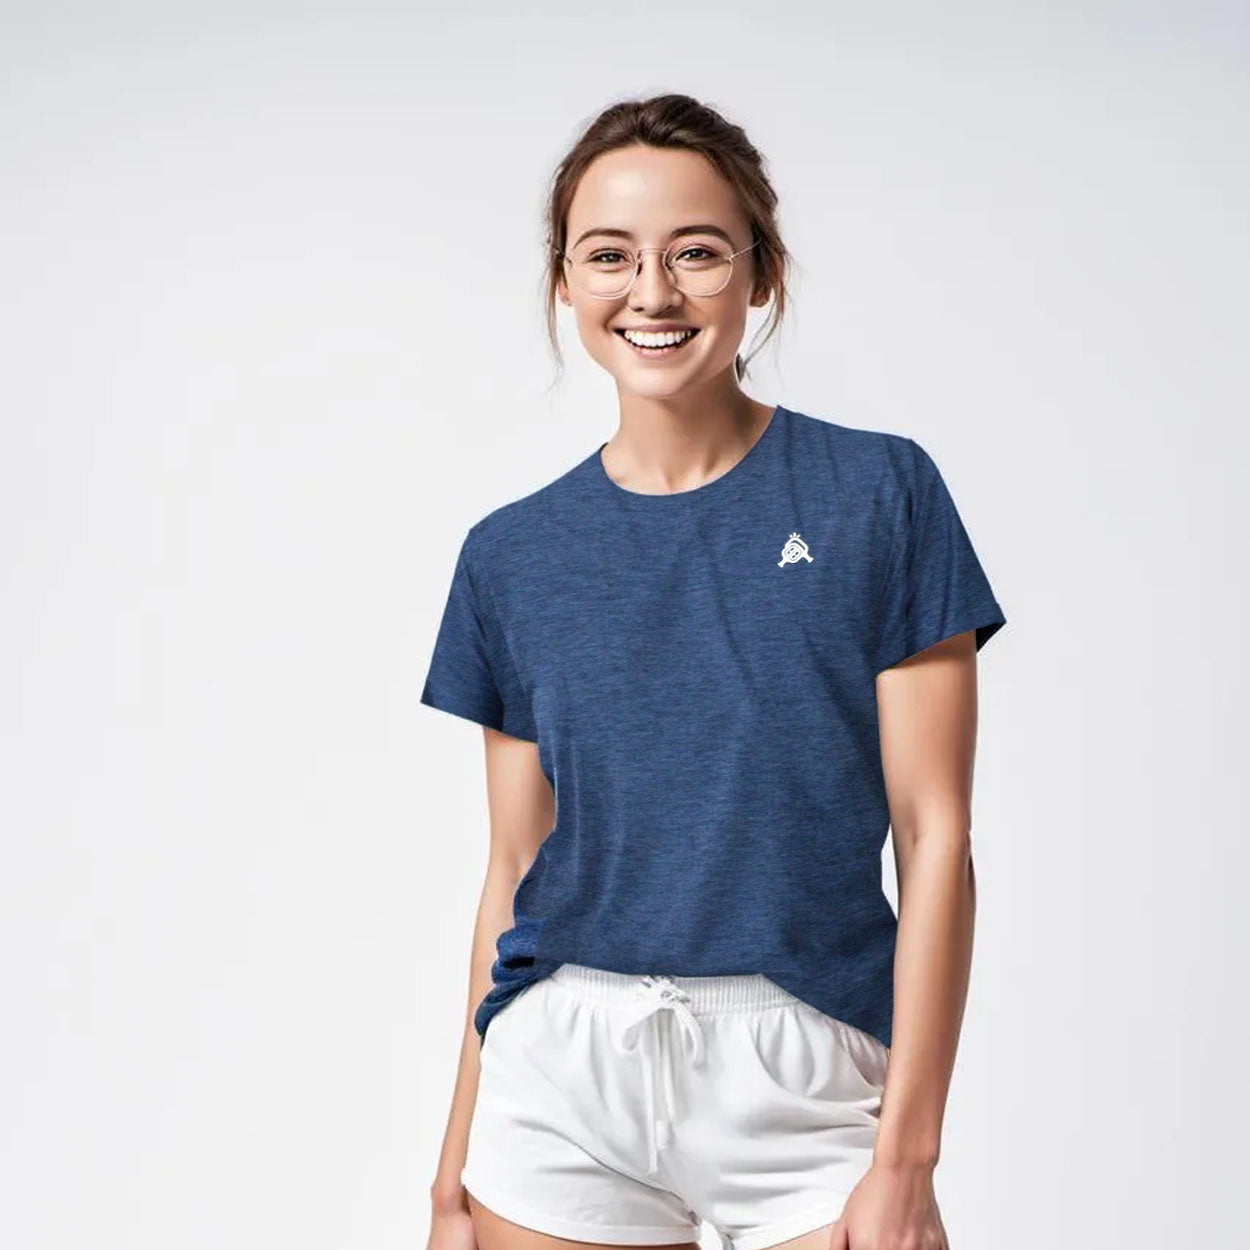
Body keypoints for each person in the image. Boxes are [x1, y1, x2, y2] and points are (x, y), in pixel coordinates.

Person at [421, 93, 1006, 1250]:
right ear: (563, 281)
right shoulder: (511, 553)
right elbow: (511, 869)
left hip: (802, 1062)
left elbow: (934, 836)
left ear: (760, 273)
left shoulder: (875, 495)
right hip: (559, 1075)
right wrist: (452, 1169)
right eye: (608, 255)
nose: (651, 292)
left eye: (695, 252)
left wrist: (907, 1156)